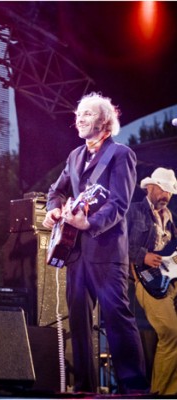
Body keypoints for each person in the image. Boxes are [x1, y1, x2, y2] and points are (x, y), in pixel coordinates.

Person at [42, 92, 149, 394]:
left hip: (107, 250)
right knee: (78, 321)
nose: (78, 119)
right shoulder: (74, 156)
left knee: (117, 317)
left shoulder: (121, 154)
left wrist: (90, 222)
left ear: (104, 121)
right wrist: (53, 208)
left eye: (86, 114)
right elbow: (56, 190)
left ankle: (134, 388)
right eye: (77, 114)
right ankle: (84, 387)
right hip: (75, 251)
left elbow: (119, 204)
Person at [127, 167, 177, 395]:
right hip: (145, 279)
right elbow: (117, 244)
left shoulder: (171, 219)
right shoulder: (133, 212)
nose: (166, 195)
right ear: (150, 187)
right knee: (170, 332)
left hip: (170, 281)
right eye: (163, 189)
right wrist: (142, 256)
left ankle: (167, 392)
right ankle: (162, 393)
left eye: (170, 191)